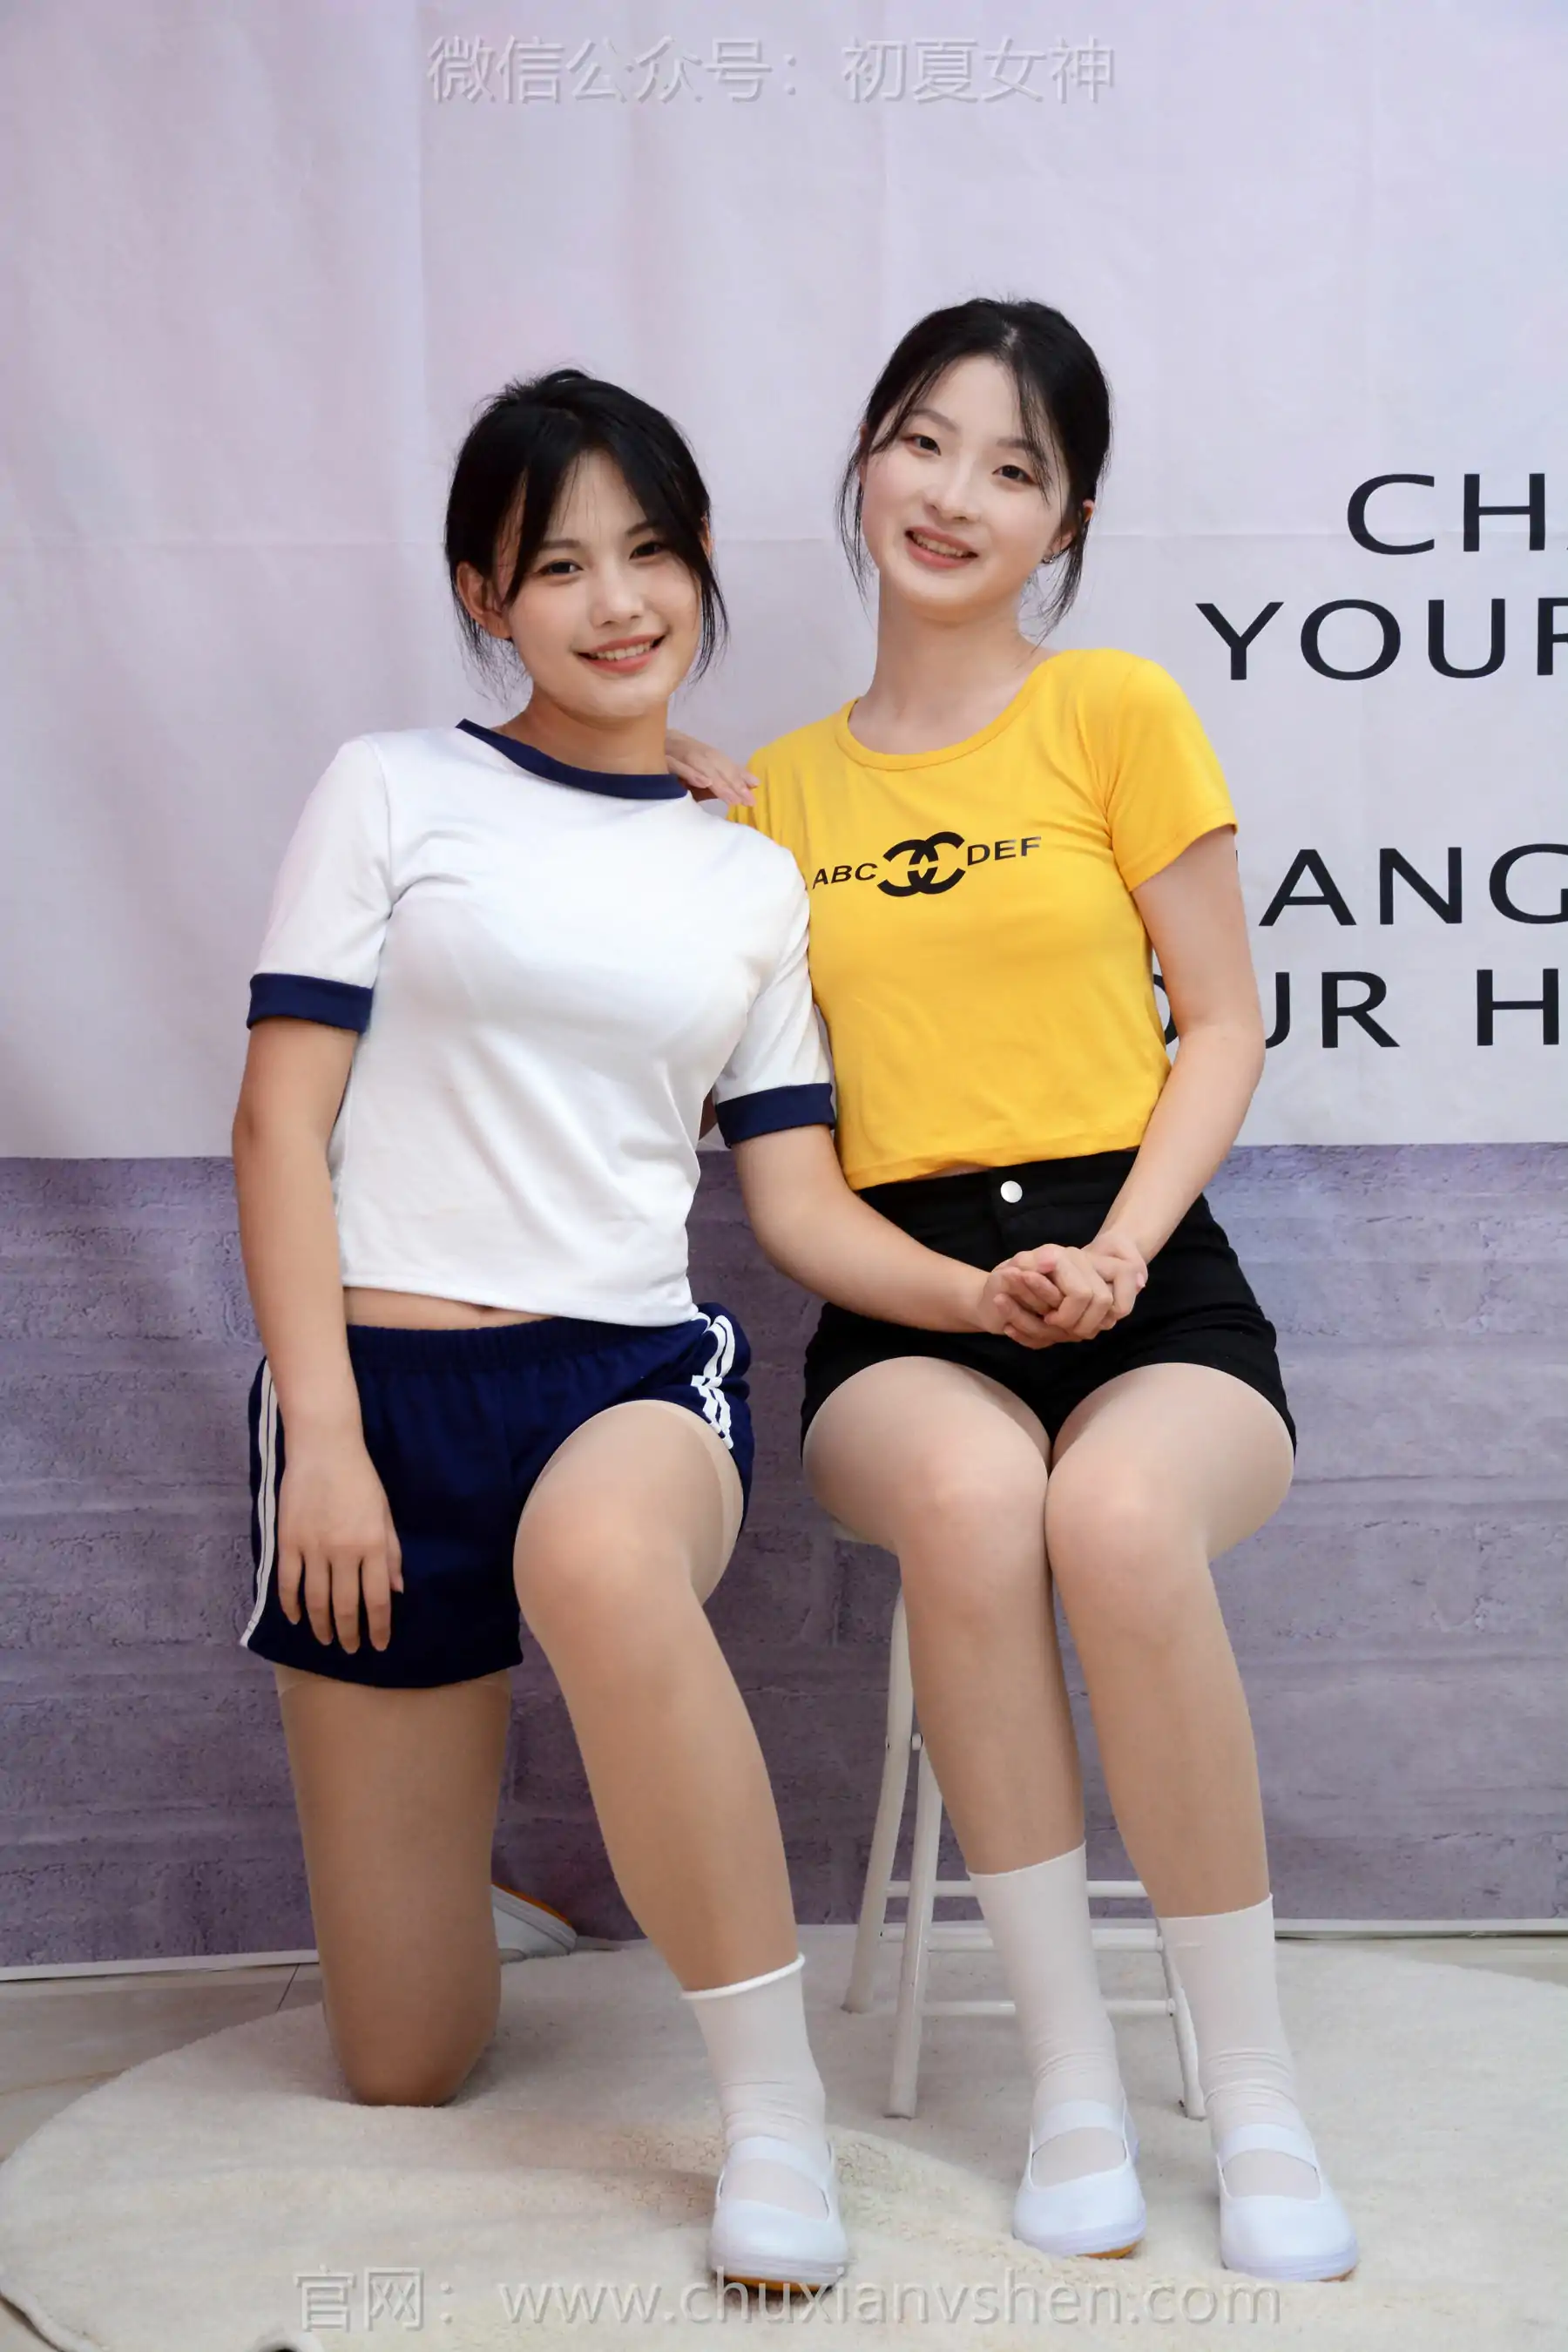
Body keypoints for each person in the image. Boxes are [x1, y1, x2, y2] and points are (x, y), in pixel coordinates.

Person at [229, 366, 1076, 2295]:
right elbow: (279, 1127)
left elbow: (793, 1202)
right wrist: (329, 1441)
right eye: (558, 568)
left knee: (603, 1562)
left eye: (651, 554)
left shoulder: (750, 870)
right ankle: (477, 1898)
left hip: (622, 1377)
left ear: (699, 565)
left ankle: (772, 2122)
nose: (616, 604)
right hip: (380, 1399)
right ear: (485, 596)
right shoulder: (390, 788)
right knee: (401, 2062)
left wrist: (978, 1296)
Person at [701, 298, 1359, 2284]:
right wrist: (972, 1301)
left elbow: (1222, 1023)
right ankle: (1075, 2090)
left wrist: (1124, 1250)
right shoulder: (775, 803)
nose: (954, 494)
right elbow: (790, 1187)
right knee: (983, 1497)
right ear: (865, 463)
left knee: (1119, 1512)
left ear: (1064, 523)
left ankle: (1256, 2099)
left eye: (1013, 468)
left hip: (1151, 1270)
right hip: (906, 1303)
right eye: (922, 441)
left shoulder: (1117, 713)